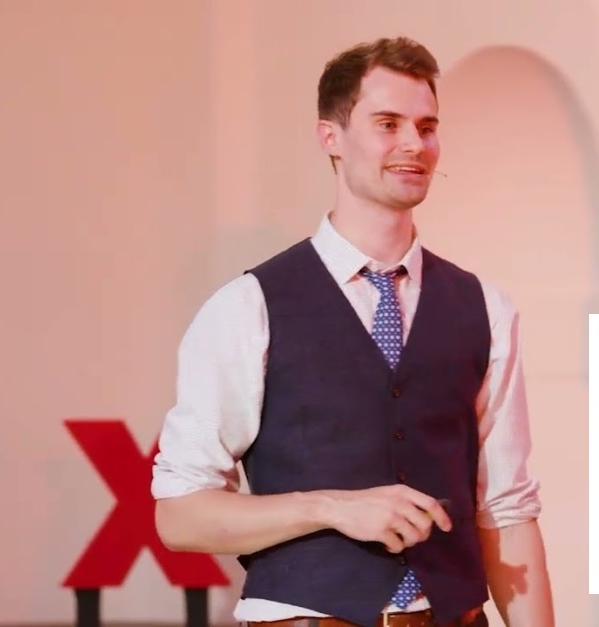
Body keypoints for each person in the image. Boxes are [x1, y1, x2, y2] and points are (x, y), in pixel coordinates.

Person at [151, 36, 555, 627]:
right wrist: (330, 508)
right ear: (330, 137)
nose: (414, 144)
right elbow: (180, 517)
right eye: (388, 124)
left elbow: (508, 511)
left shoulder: (485, 308)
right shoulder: (248, 307)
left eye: (426, 126)